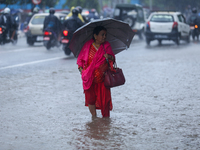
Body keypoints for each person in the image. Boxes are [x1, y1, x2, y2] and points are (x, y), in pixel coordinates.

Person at [77, 26, 115, 118]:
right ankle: (94, 119)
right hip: (89, 80)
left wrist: (109, 57)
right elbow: (80, 62)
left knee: (105, 101)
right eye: (102, 35)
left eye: (105, 35)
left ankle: (105, 122)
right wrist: (82, 72)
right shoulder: (87, 46)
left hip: (102, 80)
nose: (104, 37)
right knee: (90, 100)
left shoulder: (106, 46)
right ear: (95, 35)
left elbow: (113, 59)